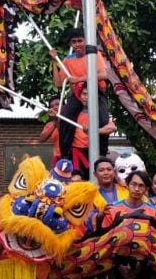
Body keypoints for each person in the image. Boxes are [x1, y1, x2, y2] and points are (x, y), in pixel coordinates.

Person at [51, 27, 111, 163]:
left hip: (96, 92)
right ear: (70, 44)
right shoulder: (68, 60)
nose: (77, 44)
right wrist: (54, 61)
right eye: (74, 42)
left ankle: (102, 155)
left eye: (79, 41)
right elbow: (58, 83)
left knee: (103, 121)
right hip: (78, 95)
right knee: (65, 119)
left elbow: (103, 75)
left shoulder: (93, 54)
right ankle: (66, 156)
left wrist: (78, 79)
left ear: (85, 41)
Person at [69, 82, 116, 171]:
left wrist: (93, 131)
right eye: (84, 94)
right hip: (75, 154)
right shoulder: (73, 113)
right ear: (80, 95)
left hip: (93, 153)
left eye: (89, 95)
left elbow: (112, 128)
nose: (86, 97)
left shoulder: (99, 114)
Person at [34, 97, 62, 166]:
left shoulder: (71, 120)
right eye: (52, 106)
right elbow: (41, 139)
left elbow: (64, 134)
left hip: (70, 156)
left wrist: (57, 120)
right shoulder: (50, 124)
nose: (54, 107)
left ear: (63, 105)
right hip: (57, 158)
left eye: (57, 104)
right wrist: (55, 122)